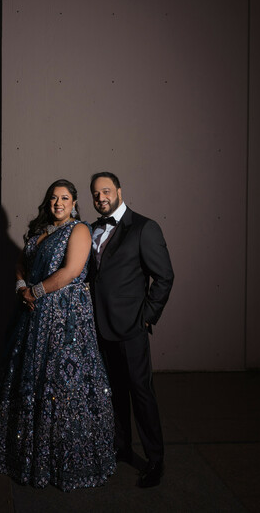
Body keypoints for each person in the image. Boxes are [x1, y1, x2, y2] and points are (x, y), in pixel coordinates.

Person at [0, 178, 116, 490]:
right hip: (31, 316)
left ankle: (67, 462)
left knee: (61, 382)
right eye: (54, 198)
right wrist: (21, 287)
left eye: (64, 198)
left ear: (74, 203)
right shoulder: (39, 231)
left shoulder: (79, 229)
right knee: (29, 379)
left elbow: (71, 271)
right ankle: (26, 456)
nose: (58, 203)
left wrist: (35, 292)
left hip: (65, 319)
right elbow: (21, 262)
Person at [89, 171, 174, 489]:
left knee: (141, 394)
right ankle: (121, 448)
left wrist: (147, 318)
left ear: (120, 191)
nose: (101, 198)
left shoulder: (144, 228)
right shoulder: (92, 229)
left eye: (106, 191)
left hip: (131, 328)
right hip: (101, 327)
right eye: (96, 194)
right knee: (114, 393)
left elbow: (165, 276)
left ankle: (155, 459)